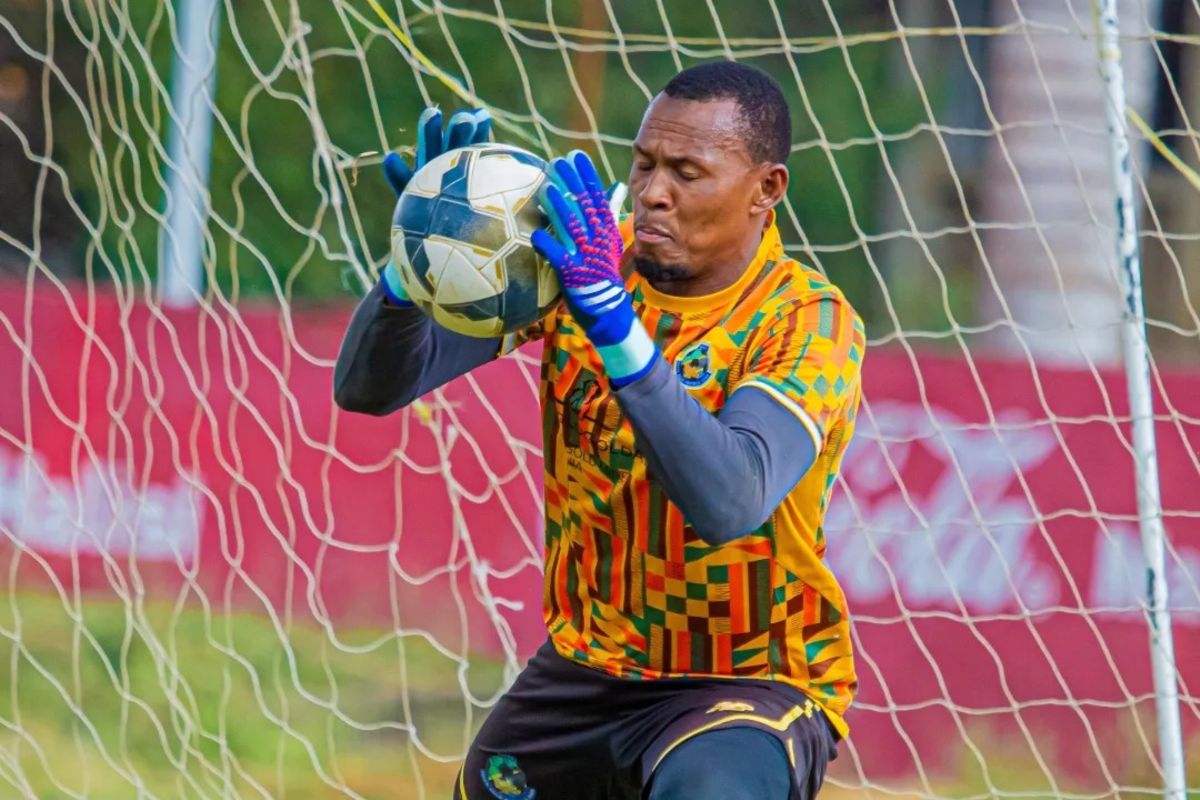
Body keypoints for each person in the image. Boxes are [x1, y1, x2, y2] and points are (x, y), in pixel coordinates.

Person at [335, 61, 865, 800]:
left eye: (687, 172)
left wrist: (615, 326)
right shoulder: (582, 262)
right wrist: (421, 265)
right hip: (586, 668)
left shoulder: (806, 319)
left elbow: (731, 500)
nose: (654, 192)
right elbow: (370, 389)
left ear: (766, 189)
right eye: (644, 164)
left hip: (744, 680)